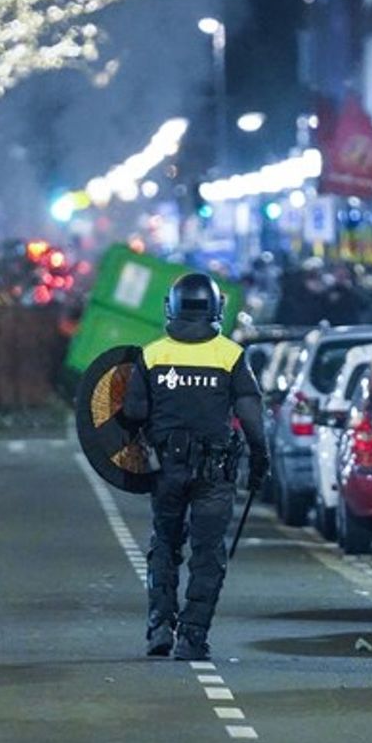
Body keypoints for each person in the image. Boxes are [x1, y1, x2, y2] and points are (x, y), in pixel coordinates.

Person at [122, 273, 270, 661]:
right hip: (214, 474)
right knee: (208, 553)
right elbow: (251, 414)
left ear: (171, 307)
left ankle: (159, 626)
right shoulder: (230, 355)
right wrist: (260, 457)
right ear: (215, 309)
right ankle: (192, 635)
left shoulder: (153, 355)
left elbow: (133, 411)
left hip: (166, 470)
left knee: (164, 544)